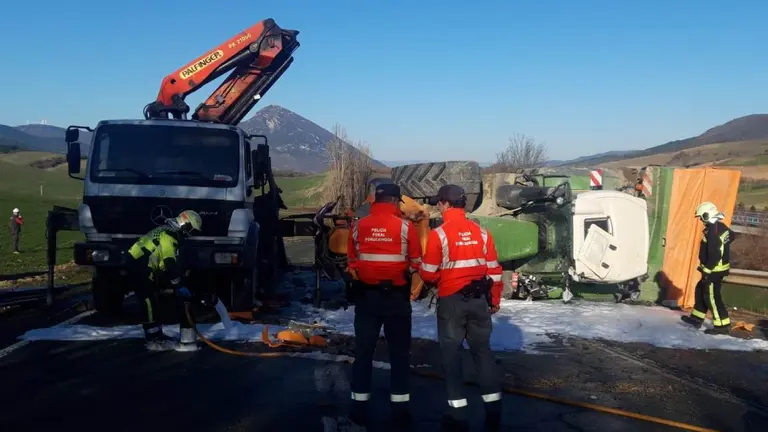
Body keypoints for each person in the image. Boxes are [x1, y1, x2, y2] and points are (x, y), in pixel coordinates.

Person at [420, 184, 504, 432]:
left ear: (445, 204)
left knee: (451, 356)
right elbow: (495, 271)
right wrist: (495, 300)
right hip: (480, 301)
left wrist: (439, 278)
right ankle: (494, 412)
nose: (437, 206)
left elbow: (427, 273)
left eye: (439, 202)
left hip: (452, 302)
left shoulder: (439, 234)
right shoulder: (482, 233)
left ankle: (458, 416)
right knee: (483, 354)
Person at [346, 183, 422, 428]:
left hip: (367, 298)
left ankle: (359, 406)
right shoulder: (405, 227)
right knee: (399, 355)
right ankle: (400, 410)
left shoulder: (358, 226)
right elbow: (416, 261)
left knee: (364, 352)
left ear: (375, 201)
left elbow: (352, 260)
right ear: (395, 201)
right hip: (396, 298)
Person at [127, 210, 203, 352]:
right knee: (148, 301)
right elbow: (169, 262)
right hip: (141, 266)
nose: (188, 234)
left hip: (142, 265)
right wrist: (178, 284)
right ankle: (153, 340)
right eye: (190, 230)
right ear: (184, 224)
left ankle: (156, 335)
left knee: (153, 298)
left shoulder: (165, 230)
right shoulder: (169, 235)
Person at [681, 201, 734, 335]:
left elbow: (715, 254)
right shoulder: (720, 226)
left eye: (701, 217)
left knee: (711, 297)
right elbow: (731, 235)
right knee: (700, 290)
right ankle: (697, 318)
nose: (700, 220)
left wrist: (707, 270)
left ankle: (722, 326)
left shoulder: (713, 232)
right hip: (716, 269)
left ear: (706, 215)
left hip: (714, 271)